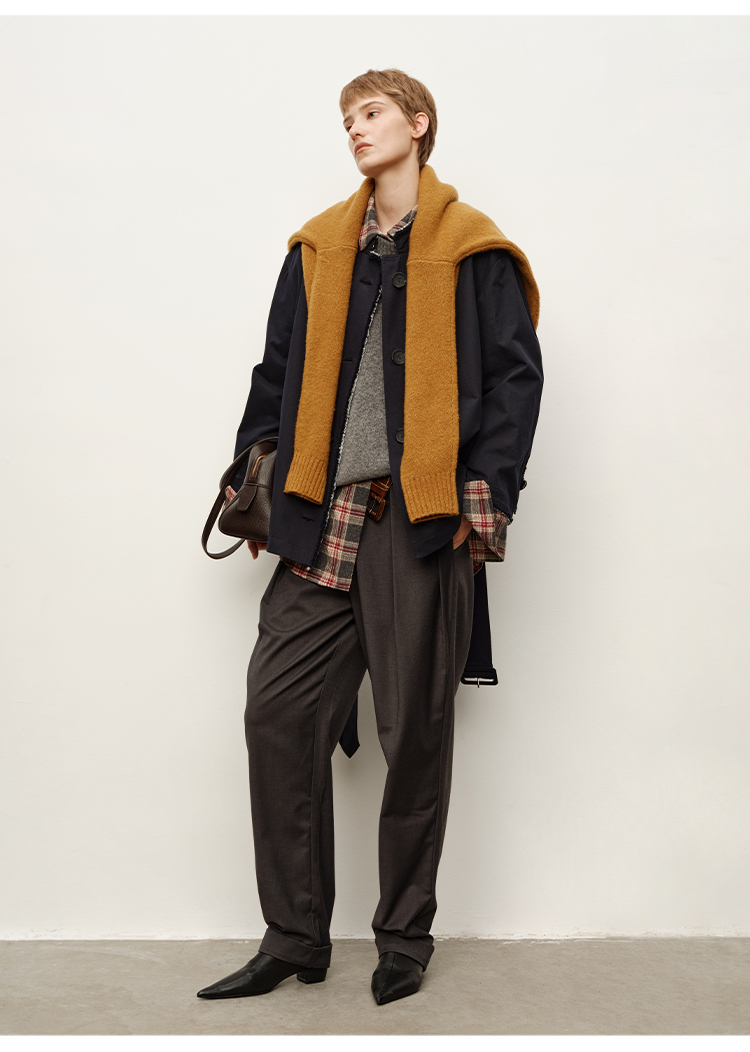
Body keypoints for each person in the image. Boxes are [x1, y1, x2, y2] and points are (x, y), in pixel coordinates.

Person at [197, 68, 543, 1006]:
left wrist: (483, 495)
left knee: (414, 734)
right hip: (323, 512)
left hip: (419, 520)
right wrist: (254, 476)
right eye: (347, 118)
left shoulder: (472, 250)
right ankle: (294, 938)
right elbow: (275, 375)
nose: (356, 129)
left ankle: (403, 937)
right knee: (277, 713)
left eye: (373, 113)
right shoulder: (317, 248)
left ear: (418, 124)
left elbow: (515, 380)